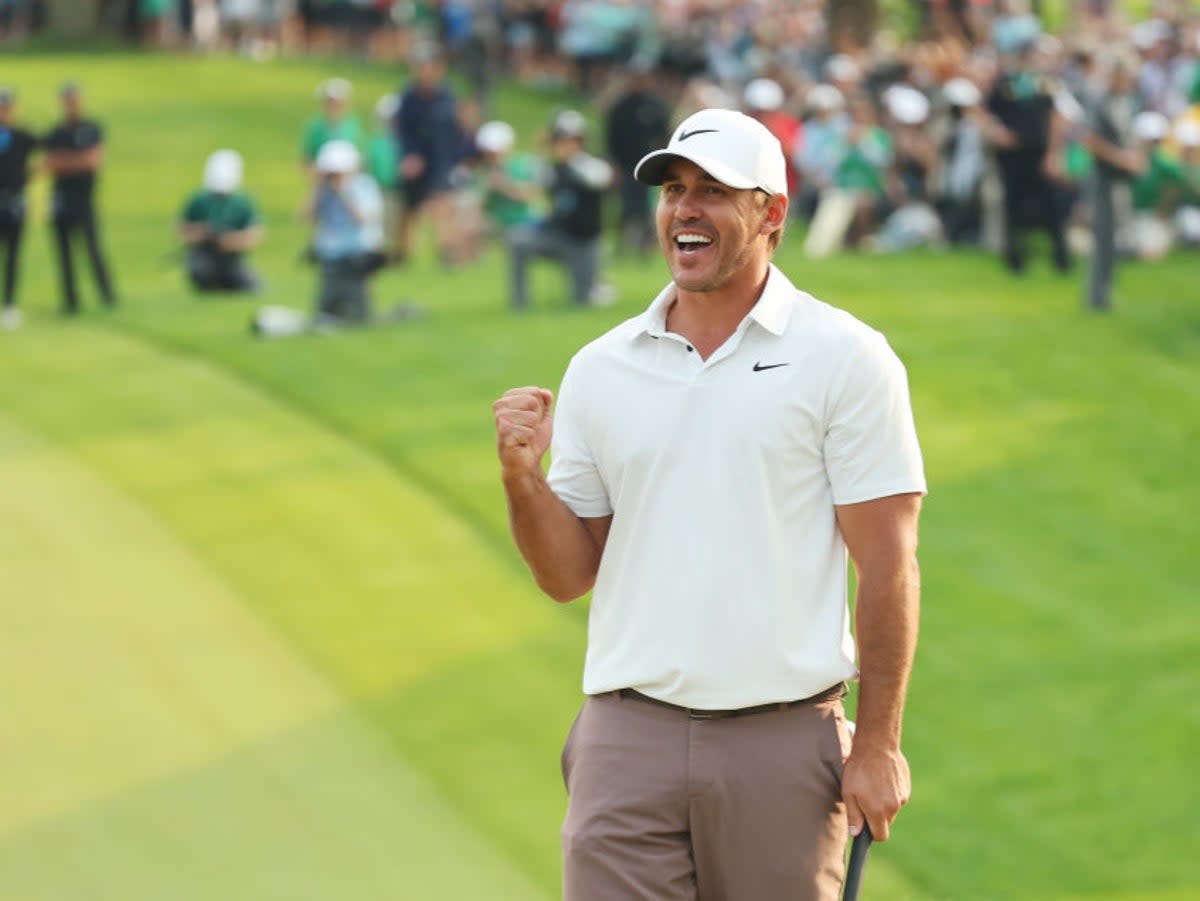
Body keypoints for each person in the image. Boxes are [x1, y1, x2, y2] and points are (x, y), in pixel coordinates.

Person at [492, 108, 926, 900]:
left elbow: (889, 562)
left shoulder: (845, 358)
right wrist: (524, 481)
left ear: (772, 214)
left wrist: (880, 741)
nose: (684, 209)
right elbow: (565, 575)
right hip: (627, 736)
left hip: (784, 741)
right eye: (673, 190)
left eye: (714, 192)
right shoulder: (601, 367)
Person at [507, 109, 613, 311]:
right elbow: (534, 179)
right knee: (518, 241)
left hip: (584, 244)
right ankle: (519, 304)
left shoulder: (591, 166)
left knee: (581, 300)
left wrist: (570, 162)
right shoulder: (551, 169)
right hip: (558, 239)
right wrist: (541, 150)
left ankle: (597, 281)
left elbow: (600, 179)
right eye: (561, 139)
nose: (566, 144)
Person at [43, 82, 117, 315]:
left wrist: (67, 161)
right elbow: (49, 165)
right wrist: (78, 161)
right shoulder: (56, 132)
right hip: (62, 199)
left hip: (84, 199)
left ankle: (107, 295)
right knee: (64, 253)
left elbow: (93, 161)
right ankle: (70, 301)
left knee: (93, 249)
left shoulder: (91, 128)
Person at [305, 138, 384, 326]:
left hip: (355, 257)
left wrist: (344, 193)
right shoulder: (323, 190)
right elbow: (307, 217)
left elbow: (363, 220)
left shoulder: (364, 186)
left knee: (358, 314)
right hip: (330, 257)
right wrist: (317, 189)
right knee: (325, 313)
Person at [178, 149, 264, 294]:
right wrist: (202, 234)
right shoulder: (199, 200)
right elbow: (181, 229)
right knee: (201, 270)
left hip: (231, 257)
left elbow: (255, 234)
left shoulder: (242, 203)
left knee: (249, 286)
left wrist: (231, 241)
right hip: (204, 254)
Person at [0, 87, 38, 330]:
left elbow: (49, 153)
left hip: (13, 203)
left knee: (13, 256)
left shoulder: (23, 135)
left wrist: (29, 176)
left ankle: (9, 305)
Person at [300, 77, 363, 178]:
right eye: (331, 102)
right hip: (324, 178)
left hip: (349, 179)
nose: (334, 106)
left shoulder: (353, 126)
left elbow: (360, 156)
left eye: (338, 103)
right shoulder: (316, 127)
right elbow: (307, 159)